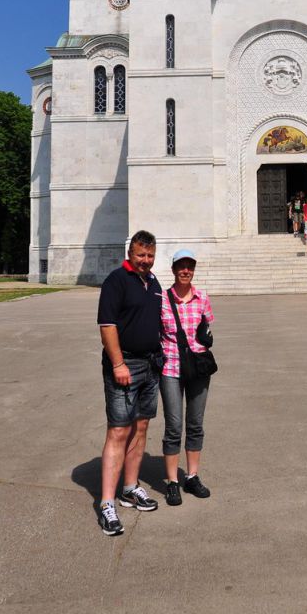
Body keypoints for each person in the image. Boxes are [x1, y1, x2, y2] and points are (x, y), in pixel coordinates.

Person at [97, 230, 162, 536]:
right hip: (125, 365)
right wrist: (118, 363)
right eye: (140, 255)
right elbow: (107, 324)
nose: (145, 261)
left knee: (141, 427)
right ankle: (107, 502)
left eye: (149, 256)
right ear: (129, 253)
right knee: (119, 430)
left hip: (150, 365)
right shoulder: (116, 281)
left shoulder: (154, 283)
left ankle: (130, 487)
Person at [160, 249, 215, 504]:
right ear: (173, 269)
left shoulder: (202, 298)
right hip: (170, 368)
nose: (185, 270)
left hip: (198, 368)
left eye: (189, 266)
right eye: (181, 266)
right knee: (174, 426)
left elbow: (207, 329)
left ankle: (192, 476)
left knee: (196, 424)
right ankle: (172, 481)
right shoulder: (162, 300)